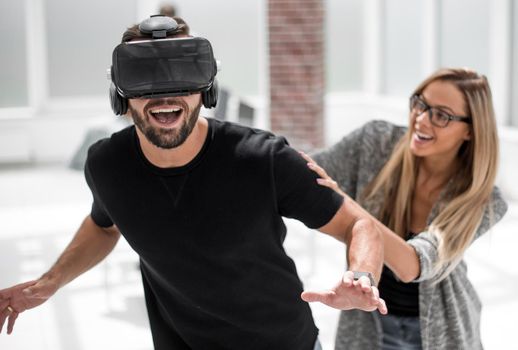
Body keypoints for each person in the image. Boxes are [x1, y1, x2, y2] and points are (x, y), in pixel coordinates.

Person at [0, 15, 387, 350]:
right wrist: (50, 282)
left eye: (181, 76)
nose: (165, 95)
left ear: (207, 87)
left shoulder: (262, 159)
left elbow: (360, 224)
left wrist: (362, 276)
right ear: (120, 94)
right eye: (145, 79)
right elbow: (105, 225)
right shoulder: (107, 164)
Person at [303, 67, 508, 350]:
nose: (421, 119)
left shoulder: (484, 200)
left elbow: (413, 265)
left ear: (470, 131)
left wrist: (341, 201)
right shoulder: (375, 142)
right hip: (371, 324)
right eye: (420, 103)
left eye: (442, 115)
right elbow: (305, 175)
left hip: (440, 334)